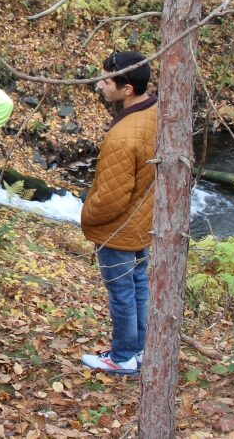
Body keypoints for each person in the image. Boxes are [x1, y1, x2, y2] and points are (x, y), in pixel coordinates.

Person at [80, 51, 157, 375]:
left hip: (119, 229)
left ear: (127, 89)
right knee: (139, 286)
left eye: (107, 80)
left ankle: (123, 355)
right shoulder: (156, 111)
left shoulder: (124, 135)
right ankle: (138, 350)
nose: (100, 85)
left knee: (123, 293)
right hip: (144, 223)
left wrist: (86, 214)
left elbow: (111, 198)